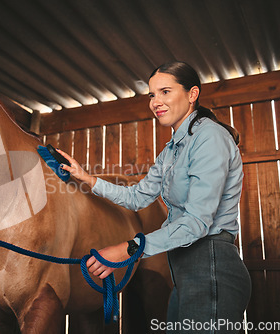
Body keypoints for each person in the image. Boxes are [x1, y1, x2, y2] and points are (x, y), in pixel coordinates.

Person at [57, 61, 251, 333]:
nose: (155, 102)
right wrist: (87, 179)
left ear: (192, 94)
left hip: (211, 267)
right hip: (183, 270)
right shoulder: (171, 150)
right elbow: (137, 197)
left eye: (165, 92)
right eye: (151, 94)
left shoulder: (210, 137)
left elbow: (197, 222)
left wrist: (127, 249)